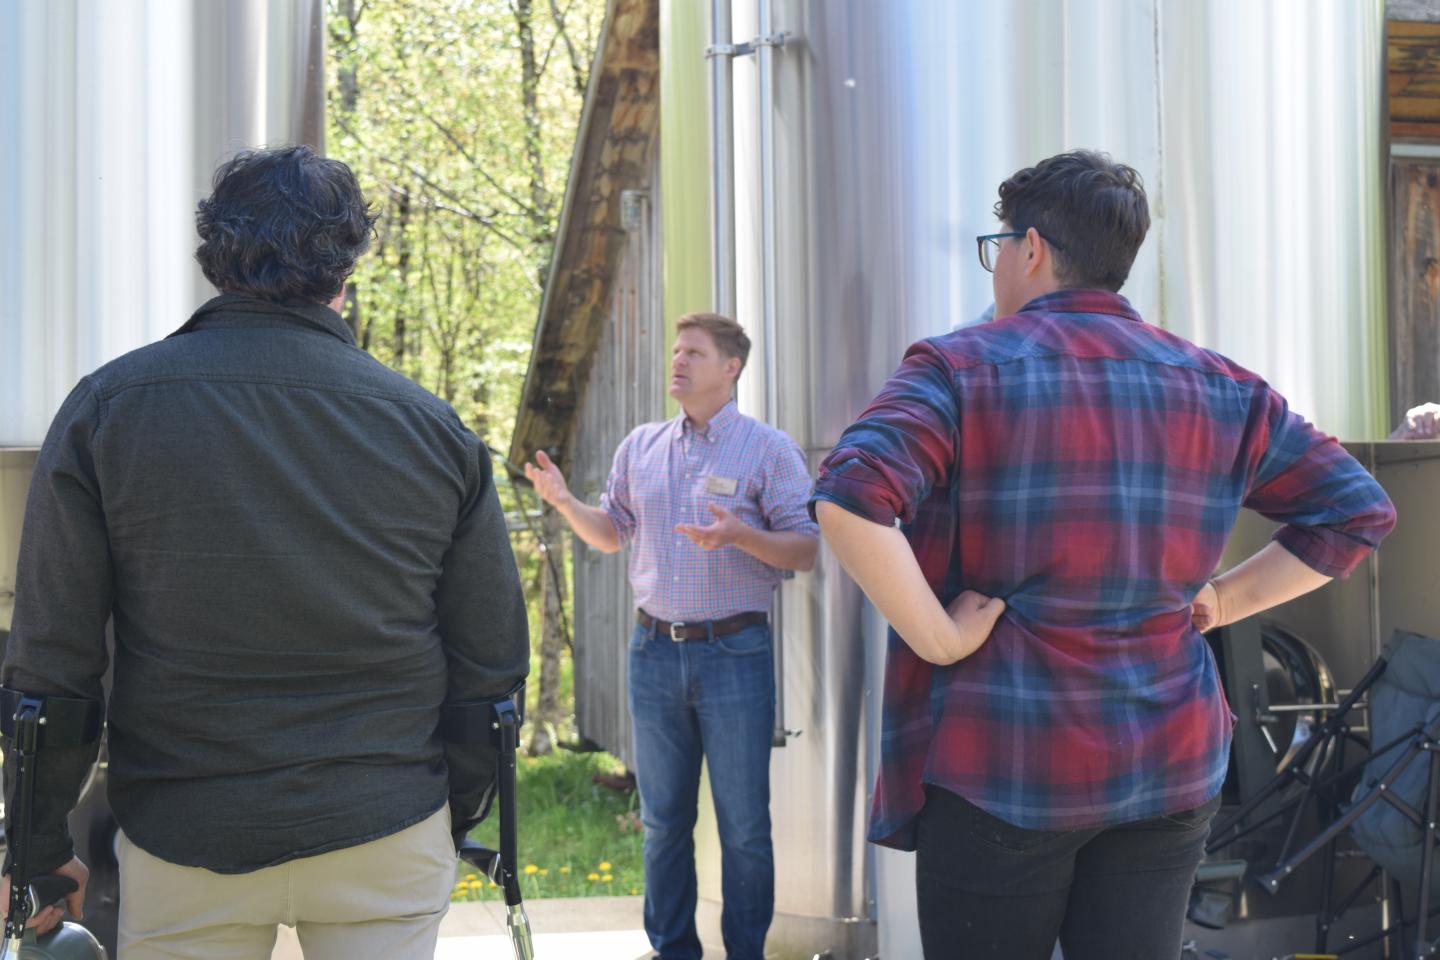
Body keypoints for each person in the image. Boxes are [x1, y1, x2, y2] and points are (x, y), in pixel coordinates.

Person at [811, 150, 1397, 960]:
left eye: (998, 246)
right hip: (1168, 762)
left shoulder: (959, 368)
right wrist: (1222, 603)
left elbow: (848, 495)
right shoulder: (1222, 385)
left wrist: (938, 637)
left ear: (1032, 248)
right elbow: (1358, 510)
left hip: (1006, 761)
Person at [0, 145, 529, 959]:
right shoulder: (431, 430)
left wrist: (34, 854)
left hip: (186, 832)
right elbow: (490, 664)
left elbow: (53, 664)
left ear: (215, 261)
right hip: (383, 824)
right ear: (344, 270)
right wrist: (447, 815)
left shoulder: (110, 410)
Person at [523, 313, 817, 960]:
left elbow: (805, 549)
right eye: (676, 350)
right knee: (662, 823)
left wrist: (741, 534)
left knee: (743, 828)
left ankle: (746, 953)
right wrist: (566, 502)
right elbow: (611, 532)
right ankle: (672, 950)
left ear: (731, 368)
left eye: (694, 352)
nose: (677, 361)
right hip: (652, 653)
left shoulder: (768, 449)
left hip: (734, 655)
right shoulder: (642, 444)